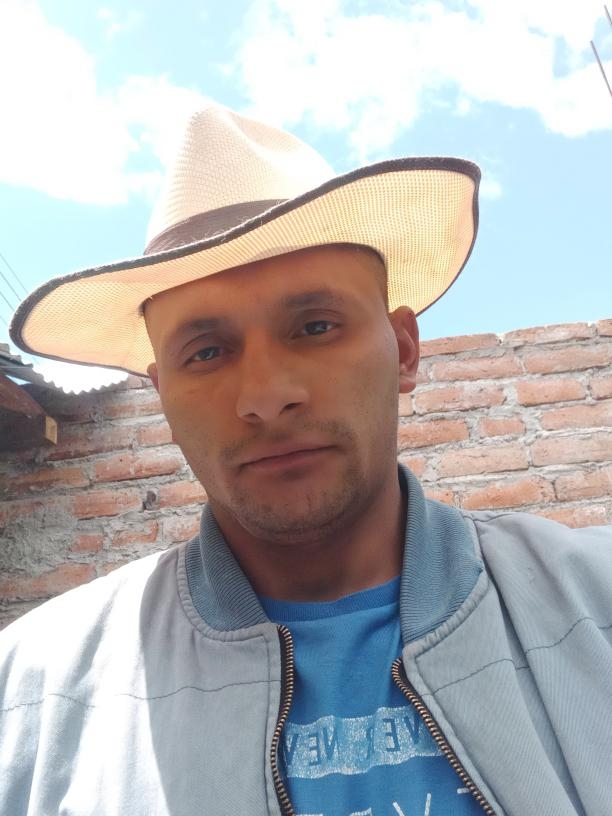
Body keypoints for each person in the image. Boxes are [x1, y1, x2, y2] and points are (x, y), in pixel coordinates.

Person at [1, 106, 611, 816]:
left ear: (403, 350)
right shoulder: (34, 698)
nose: (265, 397)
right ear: (163, 393)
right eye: (206, 352)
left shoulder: (593, 604)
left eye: (316, 326)